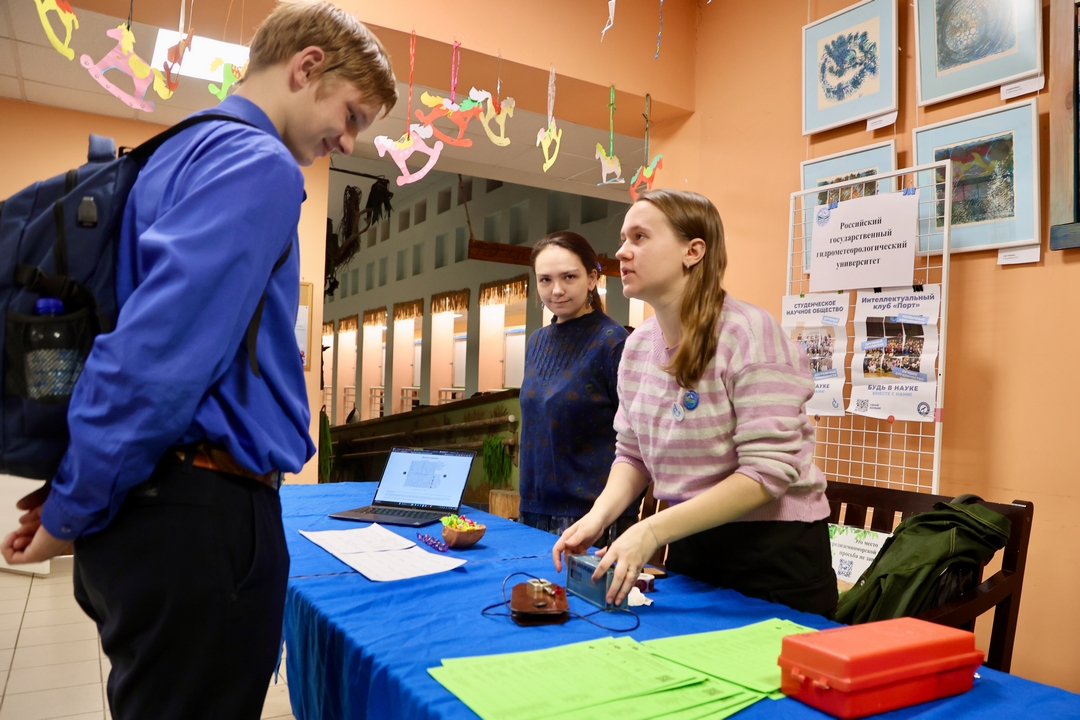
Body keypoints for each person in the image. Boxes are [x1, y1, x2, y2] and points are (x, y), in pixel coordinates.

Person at [0, 3, 397, 718]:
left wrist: (79, 490)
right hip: (200, 519)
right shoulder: (260, 165)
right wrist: (72, 507)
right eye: (352, 115)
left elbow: (130, 337)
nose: (347, 140)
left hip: (154, 506)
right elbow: (151, 359)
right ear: (307, 66)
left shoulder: (177, 150)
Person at [552, 189, 837, 617]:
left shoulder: (750, 334)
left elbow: (767, 472)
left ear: (693, 251)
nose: (622, 251)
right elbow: (632, 454)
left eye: (640, 237)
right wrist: (598, 517)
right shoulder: (637, 347)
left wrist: (651, 532)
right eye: (624, 238)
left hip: (774, 557)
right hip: (690, 539)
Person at [518, 232, 633, 538]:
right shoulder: (537, 341)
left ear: (592, 278)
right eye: (545, 280)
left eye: (569, 277)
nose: (557, 290)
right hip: (534, 508)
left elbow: (636, 439)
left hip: (593, 516)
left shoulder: (613, 342)